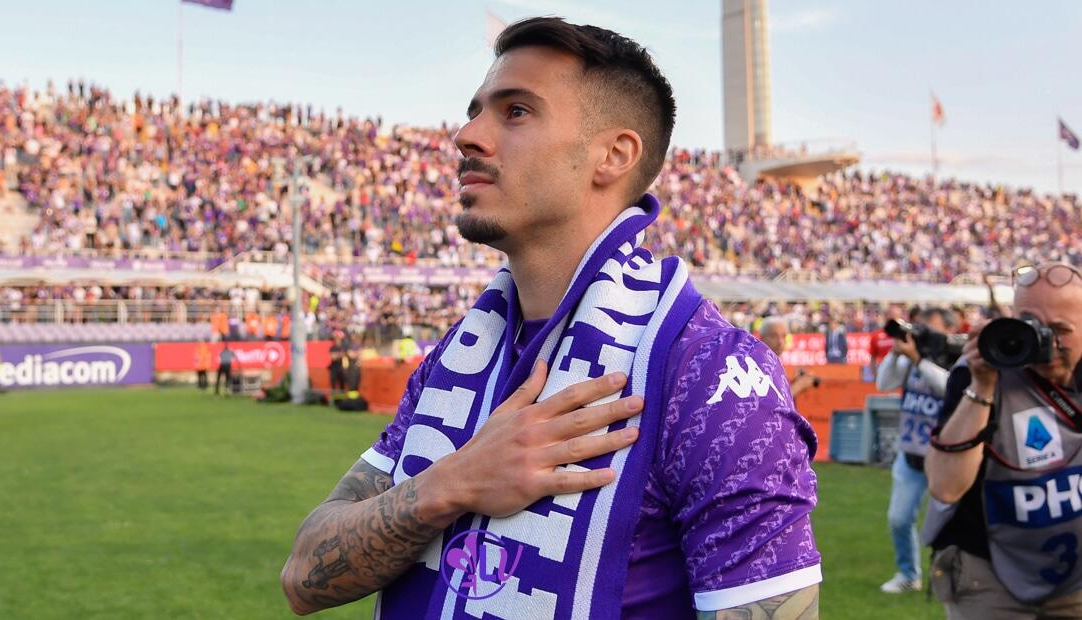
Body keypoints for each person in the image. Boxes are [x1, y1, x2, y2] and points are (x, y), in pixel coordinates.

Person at [281, 18, 820, 619]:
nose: (466, 135)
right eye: (475, 111)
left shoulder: (712, 372)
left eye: (515, 112)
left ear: (613, 156)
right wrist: (452, 483)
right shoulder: (458, 358)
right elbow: (304, 577)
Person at [925, 263, 1082, 617]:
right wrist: (983, 385)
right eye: (1032, 325)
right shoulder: (979, 371)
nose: (1047, 343)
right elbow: (945, 487)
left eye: (1061, 329)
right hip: (987, 572)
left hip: (1073, 575)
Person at [875, 306, 955, 593]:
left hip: (946, 458)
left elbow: (949, 387)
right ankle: (909, 574)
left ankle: (953, 574)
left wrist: (918, 359)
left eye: (930, 329)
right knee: (898, 519)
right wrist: (896, 353)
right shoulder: (912, 359)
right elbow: (884, 382)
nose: (923, 334)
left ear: (948, 330)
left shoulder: (954, 357)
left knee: (949, 524)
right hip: (911, 454)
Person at [759, 315, 818, 398]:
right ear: (762, 338)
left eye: (784, 336)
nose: (780, 341)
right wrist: (798, 386)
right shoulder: (757, 364)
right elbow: (770, 402)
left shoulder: (775, 362)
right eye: (774, 336)